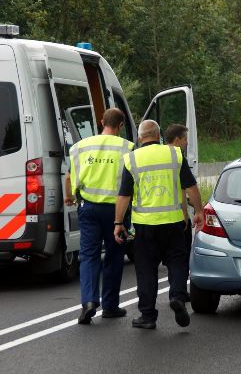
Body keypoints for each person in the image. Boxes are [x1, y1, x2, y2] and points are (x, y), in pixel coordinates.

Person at [113, 120, 203, 329]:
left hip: (144, 226)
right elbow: (191, 187)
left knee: (146, 270)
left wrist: (118, 222)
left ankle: (147, 316)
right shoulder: (174, 154)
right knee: (177, 262)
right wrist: (198, 211)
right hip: (173, 223)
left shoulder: (131, 159)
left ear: (140, 137)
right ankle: (178, 297)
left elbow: (124, 195)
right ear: (159, 135)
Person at [64, 108, 134, 324]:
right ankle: (110, 306)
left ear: (101, 121)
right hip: (117, 211)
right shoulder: (128, 148)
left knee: (88, 256)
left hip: (89, 209)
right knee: (113, 258)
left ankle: (88, 302)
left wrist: (69, 198)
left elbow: (68, 177)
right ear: (121, 125)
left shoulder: (80, 147)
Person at [164, 123, 195, 301]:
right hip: (176, 216)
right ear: (177, 139)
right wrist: (191, 211)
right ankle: (179, 293)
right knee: (180, 257)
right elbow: (186, 189)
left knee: (168, 259)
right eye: (185, 139)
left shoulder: (156, 157)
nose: (186, 143)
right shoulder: (177, 157)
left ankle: (175, 290)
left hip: (154, 218)